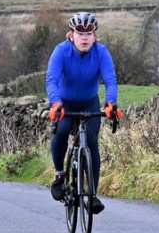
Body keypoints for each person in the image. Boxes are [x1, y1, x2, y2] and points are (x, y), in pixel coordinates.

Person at [46, 11, 122, 214]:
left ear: (95, 36)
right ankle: (60, 176)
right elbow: (51, 80)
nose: (85, 38)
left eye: (89, 34)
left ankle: (93, 194)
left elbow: (110, 80)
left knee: (91, 141)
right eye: (80, 33)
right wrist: (55, 104)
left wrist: (111, 103)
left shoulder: (102, 53)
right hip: (65, 103)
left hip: (89, 102)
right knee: (61, 131)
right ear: (71, 35)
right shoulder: (61, 51)